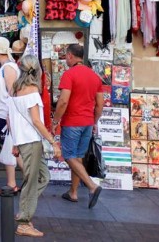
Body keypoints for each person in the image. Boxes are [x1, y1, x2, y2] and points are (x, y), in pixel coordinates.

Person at [7, 55, 61, 237]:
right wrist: (53, 142)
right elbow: (37, 122)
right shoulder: (32, 92)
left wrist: (15, 142)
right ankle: (23, 221)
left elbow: (11, 119)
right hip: (31, 141)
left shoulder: (15, 90)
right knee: (31, 181)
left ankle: (25, 209)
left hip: (25, 140)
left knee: (42, 177)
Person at [52, 44, 104, 209]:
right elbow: (100, 105)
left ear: (69, 56)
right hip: (87, 122)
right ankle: (73, 192)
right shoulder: (95, 76)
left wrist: (55, 121)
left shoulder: (69, 74)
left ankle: (91, 186)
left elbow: (63, 101)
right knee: (78, 157)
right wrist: (94, 121)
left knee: (69, 156)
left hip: (72, 122)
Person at [0, 37, 22, 195]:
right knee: (10, 147)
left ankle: (24, 180)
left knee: (11, 148)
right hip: (4, 113)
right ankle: (14, 182)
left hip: (6, 114)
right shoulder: (6, 67)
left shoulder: (8, 68)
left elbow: (12, 92)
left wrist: (10, 114)